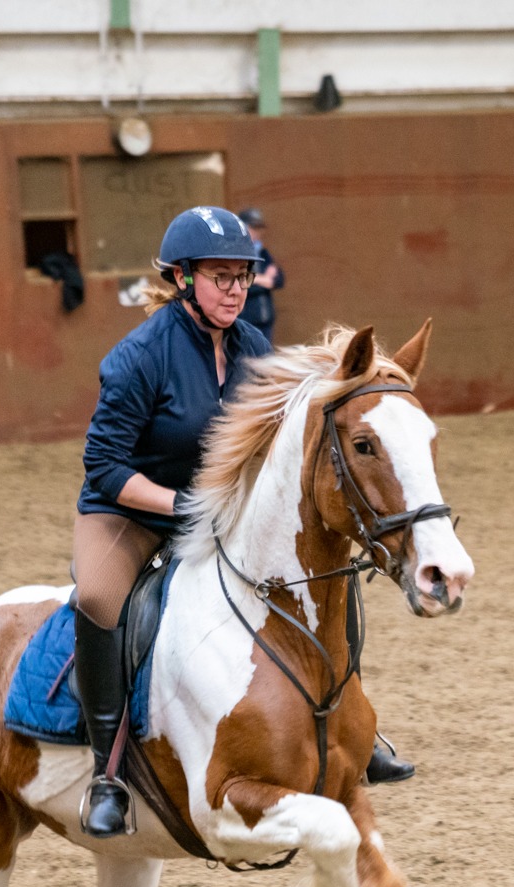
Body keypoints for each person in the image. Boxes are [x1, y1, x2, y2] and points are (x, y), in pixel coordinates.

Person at [72, 207, 410, 839]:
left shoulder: (254, 347)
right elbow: (103, 466)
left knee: (328, 560)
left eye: (241, 276)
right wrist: (179, 507)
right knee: (96, 598)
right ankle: (107, 773)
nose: (234, 289)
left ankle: (355, 729)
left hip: (223, 509)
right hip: (133, 511)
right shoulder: (138, 357)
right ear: (181, 278)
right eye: (219, 276)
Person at [238, 207, 283, 343]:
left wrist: (256, 279)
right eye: (252, 227)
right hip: (246, 320)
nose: (256, 233)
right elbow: (239, 284)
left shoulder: (263, 252)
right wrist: (263, 279)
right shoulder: (237, 254)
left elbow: (279, 279)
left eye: (258, 228)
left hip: (266, 320)